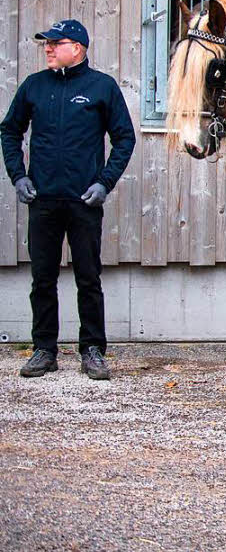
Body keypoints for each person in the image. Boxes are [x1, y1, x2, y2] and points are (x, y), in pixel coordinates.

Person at [1, 19, 136, 380]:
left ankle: (92, 349)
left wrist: (104, 183)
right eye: (45, 43)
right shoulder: (34, 86)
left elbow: (125, 138)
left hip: (84, 202)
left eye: (54, 43)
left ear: (76, 47)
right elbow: (10, 131)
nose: (47, 48)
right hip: (42, 200)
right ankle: (44, 350)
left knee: (88, 278)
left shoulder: (101, 88)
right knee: (42, 278)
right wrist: (19, 176)